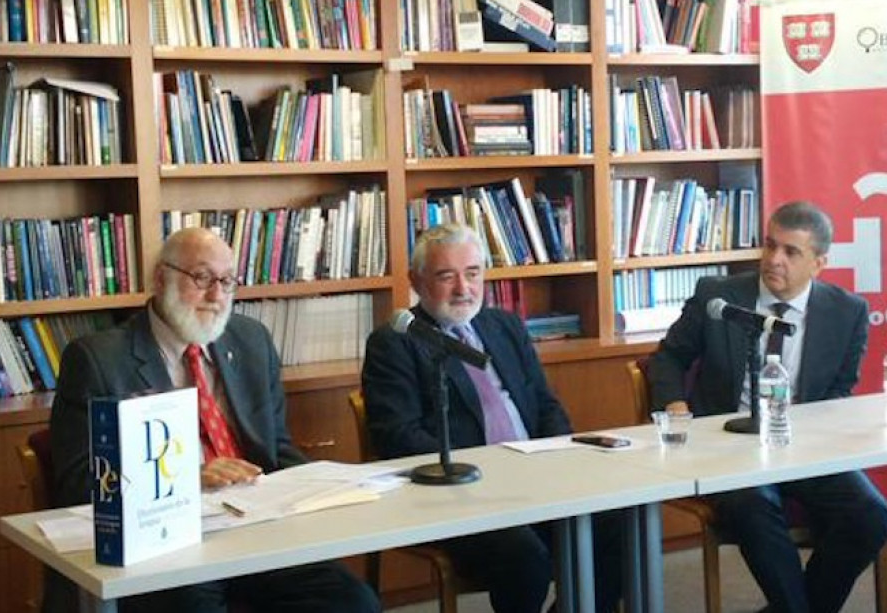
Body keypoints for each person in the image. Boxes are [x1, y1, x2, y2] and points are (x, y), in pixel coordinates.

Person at [47, 227, 380, 613]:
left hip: (255, 531)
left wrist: (324, 490)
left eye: (226, 281)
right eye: (201, 278)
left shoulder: (250, 340)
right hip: (167, 544)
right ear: (160, 279)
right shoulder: (99, 360)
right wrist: (187, 477)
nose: (217, 296)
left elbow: (276, 449)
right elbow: (78, 483)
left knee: (353, 601)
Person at [361, 223, 622, 613]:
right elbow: (398, 436)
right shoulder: (397, 342)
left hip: (537, 479)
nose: (463, 289)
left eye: (473, 273)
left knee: (619, 526)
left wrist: (560, 456)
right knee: (525, 556)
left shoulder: (504, 326)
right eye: (446, 276)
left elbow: (544, 405)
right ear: (417, 281)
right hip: (459, 495)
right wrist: (484, 468)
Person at [647, 201, 887, 613]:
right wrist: (674, 403)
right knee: (753, 504)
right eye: (769, 246)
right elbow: (667, 358)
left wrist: (812, 438)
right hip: (728, 447)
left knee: (870, 515)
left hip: (806, 448)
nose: (774, 260)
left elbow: (837, 393)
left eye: (791, 252)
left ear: (819, 263)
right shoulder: (718, 296)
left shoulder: (847, 312)